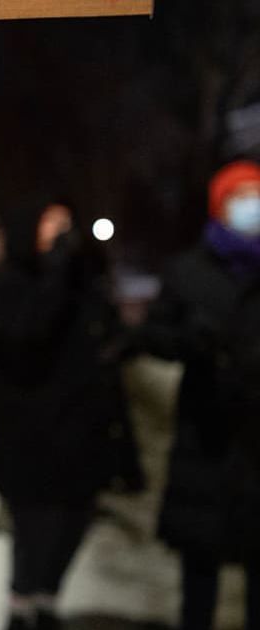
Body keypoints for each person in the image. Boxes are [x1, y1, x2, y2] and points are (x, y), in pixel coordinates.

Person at [0, 200, 124, 630]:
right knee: (35, 534)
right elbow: (29, 335)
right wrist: (59, 272)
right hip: (30, 436)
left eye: (66, 225)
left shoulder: (78, 283)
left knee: (74, 523)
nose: (60, 234)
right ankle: (23, 606)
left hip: (78, 430)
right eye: (49, 224)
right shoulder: (8, 285)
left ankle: (46, 600)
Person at [135, 160, 260, 630]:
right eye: (242, 197)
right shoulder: (188, 271)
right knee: (199, 572)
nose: (254, 207)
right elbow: (155, 335)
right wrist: (189, 340)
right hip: (205, 438)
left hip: (255, 441)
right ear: (220, 206)